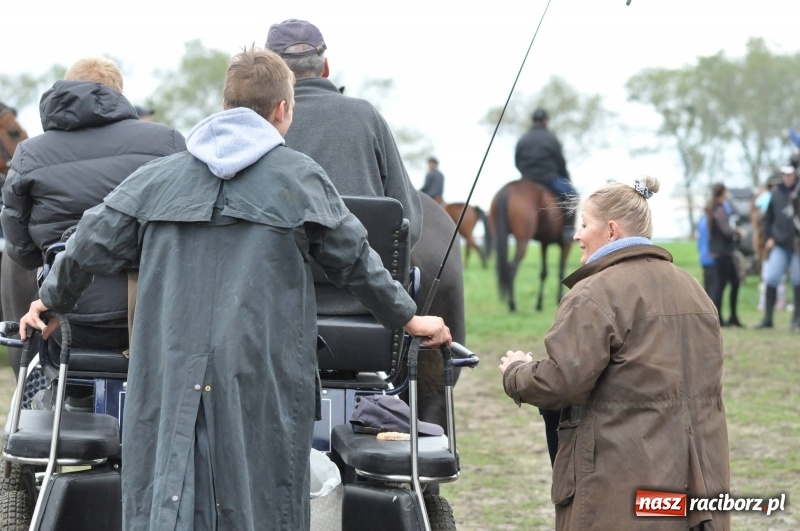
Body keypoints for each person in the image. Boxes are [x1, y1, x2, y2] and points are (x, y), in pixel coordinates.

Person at [18, 47, 451, 531]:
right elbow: (357, 262)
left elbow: (86, 243)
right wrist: (410, 318)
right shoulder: (301, 180)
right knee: (263, 501)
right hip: (262, 371)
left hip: (168, 369)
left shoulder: (155, 180)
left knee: (168, 492)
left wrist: (51, 300)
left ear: (225, 106)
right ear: (283, 111)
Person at [499, 176, 729, 530]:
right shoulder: (694, 290)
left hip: (619, 490)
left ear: (610, 230)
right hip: (696, 488)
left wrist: (516, 371)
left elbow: (561, 383)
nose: (576, 235)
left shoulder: (593, 293)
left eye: (584, 224)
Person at [1, 57, 186, 356]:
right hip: (154, 317)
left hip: (66, 319)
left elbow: (21, 252)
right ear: (118, 94)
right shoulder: (169, 142)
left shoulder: (28, 155)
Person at [265, 18, 423, 248]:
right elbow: (409, 220)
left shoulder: (259, 122)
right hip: (364, 276)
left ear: (269, 75)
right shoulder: (366, 115)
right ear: (325, 68)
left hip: (277, 276)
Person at [514, 108, 578, 242]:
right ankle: (567, 230)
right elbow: (560, 162)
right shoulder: (551, 138)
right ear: (546, 121)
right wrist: (566, 178)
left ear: (533, 121)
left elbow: (517, 161)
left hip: (527, 179)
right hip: (549, 179)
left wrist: (526, 174)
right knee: (573, 196)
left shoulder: (523, 138)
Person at [756, 164, 800, 330]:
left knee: (797, 281)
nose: (787, 177)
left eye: (790, 174)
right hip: (780, 244)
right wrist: (769, 237)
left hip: (797, 246)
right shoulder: (776, 195)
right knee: (772, 278)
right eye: (784, 174)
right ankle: (768, 319)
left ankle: (796, 319)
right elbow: (768, 219)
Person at [706, 183, 745, 327]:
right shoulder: (719, 209)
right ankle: (722, 319)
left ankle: (726, 318)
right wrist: (738, 232)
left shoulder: (713, 208)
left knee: (725, 285)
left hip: (719, 254)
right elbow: (726, 231)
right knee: (725, 285)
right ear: (723, 193)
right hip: (723, 254)